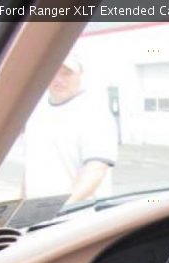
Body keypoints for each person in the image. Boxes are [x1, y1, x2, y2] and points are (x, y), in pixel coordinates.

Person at [23, 54, 117, 205]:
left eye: (67, 73)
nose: (59, 80)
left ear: (80, 74)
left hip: (77, 217)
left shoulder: (94, 114)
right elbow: (30, 169)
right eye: (53, 72)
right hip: (36, 218)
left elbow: (96, 170)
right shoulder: (37, 112)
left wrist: (63, 208)